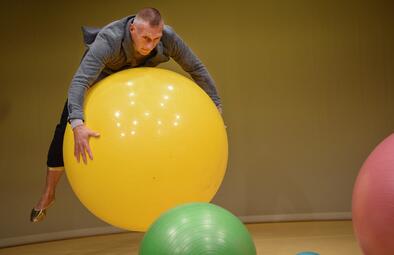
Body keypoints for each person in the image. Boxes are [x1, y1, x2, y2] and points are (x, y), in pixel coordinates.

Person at [30, 7, 222, 222]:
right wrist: (77, 124)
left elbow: (196, 68)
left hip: (139, 86)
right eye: (146, 38)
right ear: (132, 29)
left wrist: (216, 106)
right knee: (63, 130)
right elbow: (80, 81)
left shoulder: (168, 38)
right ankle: (48, 193)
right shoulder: (108, 40)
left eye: (156, 39)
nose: (150, 46)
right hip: (100, 81)